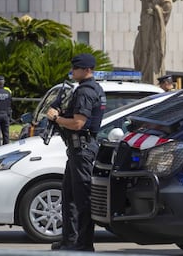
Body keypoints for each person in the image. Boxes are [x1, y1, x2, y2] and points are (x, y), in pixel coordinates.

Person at [47, 53, 106, 252]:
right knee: (69, 197)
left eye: (76, 68)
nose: (72, 71)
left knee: (82, 199)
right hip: (78, 150)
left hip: (82, 151)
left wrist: (57, 119)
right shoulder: (89, 89)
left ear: (87, 70)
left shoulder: (86, 91)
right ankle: (70, 240)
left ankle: (84, 244)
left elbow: (78, 123)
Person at [133, 0, 172, 85]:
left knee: (151, 53)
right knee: (138, 52)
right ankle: (145, 78)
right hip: (145, 26)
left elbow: (168, 4)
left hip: (152, 27)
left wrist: (155, 11)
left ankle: (151, 80)